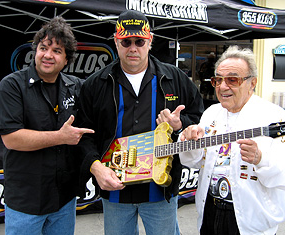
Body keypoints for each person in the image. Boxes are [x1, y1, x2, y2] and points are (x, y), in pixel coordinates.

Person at [76, 9, 204, 235]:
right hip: (115, 190)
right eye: (126, 42)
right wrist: (95, 168)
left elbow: (198, 119)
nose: (133, 48)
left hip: (159, 189)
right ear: (116, 42)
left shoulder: (175, 78)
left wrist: (179, 125)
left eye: (139, 41)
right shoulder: (96, 84)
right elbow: (84, 134)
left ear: (150, 41)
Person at [179, 45, 285, 235]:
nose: (222, 87)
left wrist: (261, 159)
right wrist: (190, 141)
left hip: (250, 220)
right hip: (210, 212)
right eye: (217, 80)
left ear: (252, 83)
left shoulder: (275, 117)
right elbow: (194, 161)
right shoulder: (211, 113)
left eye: (232, 80)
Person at [0, 17, 94, 235]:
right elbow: (11, 138)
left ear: (67, 59)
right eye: (43, 48)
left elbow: (105, 109)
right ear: (35, 51)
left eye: (57, 50)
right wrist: (61, 137)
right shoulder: (11, 86)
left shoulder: (75, 86)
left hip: (64, 200)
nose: (48, 55)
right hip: (26, 203)